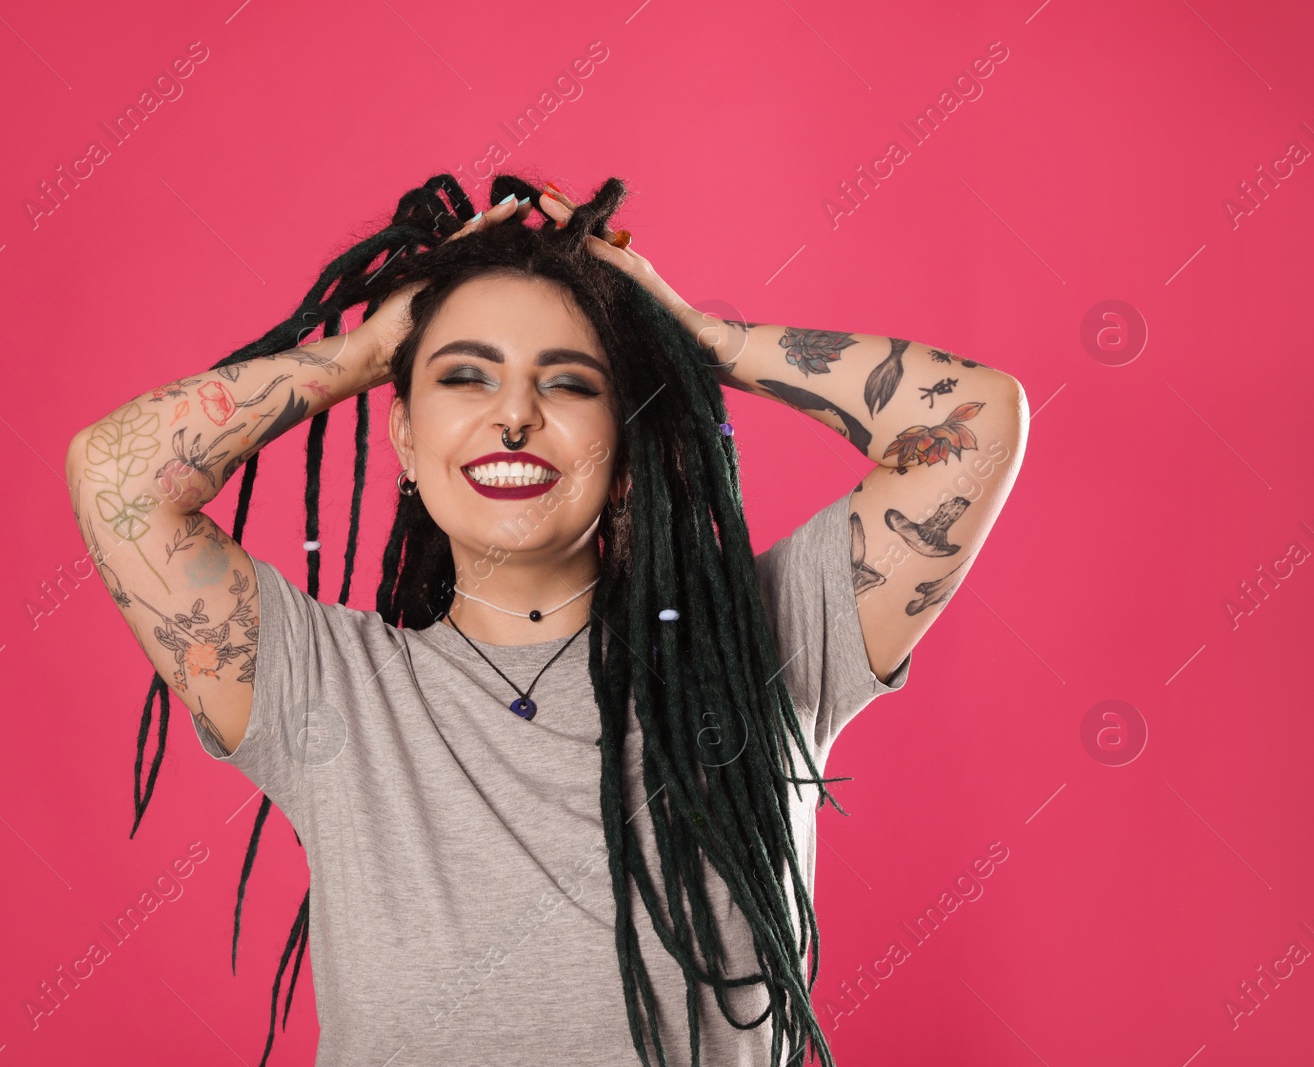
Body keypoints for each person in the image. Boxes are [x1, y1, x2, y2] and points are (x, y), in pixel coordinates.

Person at [64, 173, 1028, 1066]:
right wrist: (359, 352)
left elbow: (976, 421)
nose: (515, 414)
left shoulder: (767, 643)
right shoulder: (324, 686)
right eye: (464, 377)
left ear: (628, 433)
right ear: (404, 434)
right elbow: (116, 477)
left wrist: (695, 342)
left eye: (569, 381)